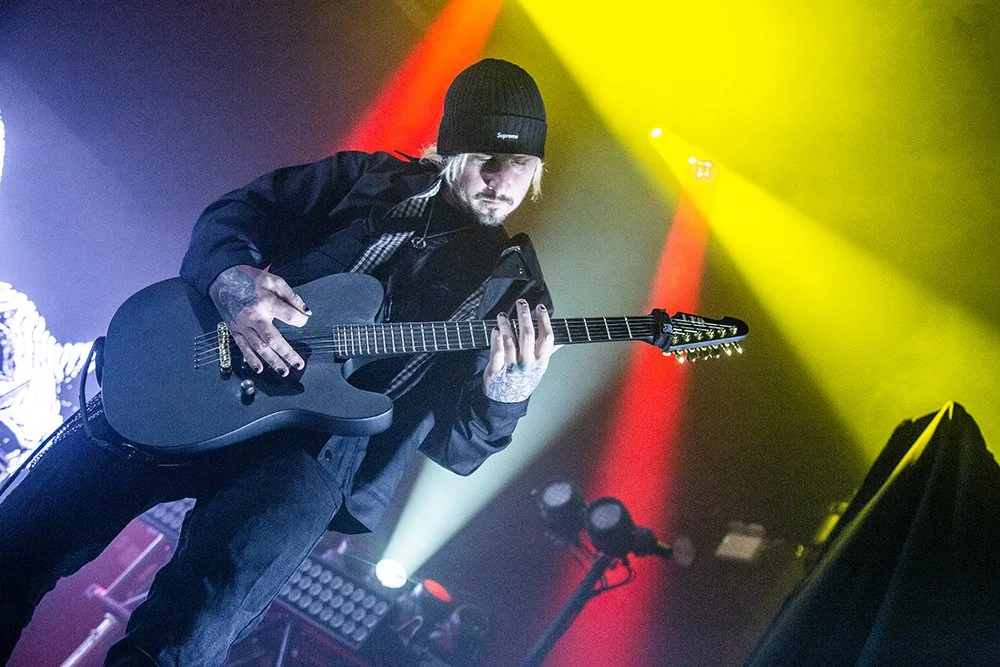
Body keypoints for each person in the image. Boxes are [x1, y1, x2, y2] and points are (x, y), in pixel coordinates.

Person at [0, 58, 555, 665]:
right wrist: (230, 281)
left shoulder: (516, 294)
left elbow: (460, 451)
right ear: (449, 149)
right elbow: (235, 214)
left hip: (311, 461)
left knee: (185, 636)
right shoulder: (366, 181)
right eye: (486, 158)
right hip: (205, 373)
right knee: (19, 542)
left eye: (520, 164)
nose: (501, 180)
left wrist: (508, 394)